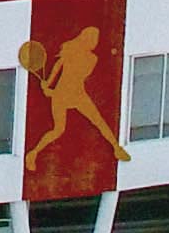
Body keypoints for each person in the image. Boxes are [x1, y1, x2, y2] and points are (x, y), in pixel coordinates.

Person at [21, 24, 131, 164]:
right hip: (62, 94)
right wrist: (48, 84)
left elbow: (76, 77)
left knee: (99, 121)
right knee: (58, 130)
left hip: (77, 94)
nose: (95, 42)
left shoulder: (92, 59)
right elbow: (57, 67)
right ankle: (33, 153)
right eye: (92, 38)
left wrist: (51, 92)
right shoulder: (70, 51)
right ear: (85, 38)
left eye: (96, 39)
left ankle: (116, 148)